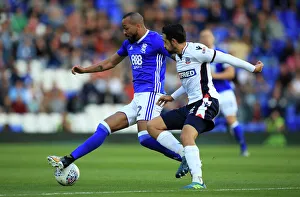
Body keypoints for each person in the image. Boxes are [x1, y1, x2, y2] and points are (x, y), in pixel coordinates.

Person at [47, 12, 184, 172]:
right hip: (138, 98)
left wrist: (190, 69)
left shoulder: (156, 40)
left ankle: (184, 156)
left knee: (145, 137)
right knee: (103, 127)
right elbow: (110, 63)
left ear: (138, 26)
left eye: (126, 28)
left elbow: (179, 55)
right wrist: (85, 70)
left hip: (152, 94)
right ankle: (67, 160)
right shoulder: (128, 44)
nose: (124, 32)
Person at [147, 24, 263, 190]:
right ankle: (184, 154)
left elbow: (225, 58)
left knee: (187, 134)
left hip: (207, 101)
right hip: (192, 104)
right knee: (153, 126)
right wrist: (172, 96)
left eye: (165, 41)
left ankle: (198, 181)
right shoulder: (179, 57)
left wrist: (252, 68)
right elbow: (188, 83)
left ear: (173, 41)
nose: (164, 45)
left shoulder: (197, 50)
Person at [199, 29, 249, 156]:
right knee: (200, 120)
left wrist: (211, 75)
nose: (205, 39)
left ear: (213, 38)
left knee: (231, 119)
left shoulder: (220, 53)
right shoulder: (198, 55)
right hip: (208, 94)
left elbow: (231, 73)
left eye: (208, 36)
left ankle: (243, 147)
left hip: (224, 92)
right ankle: (192, 148)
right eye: (203, 36)